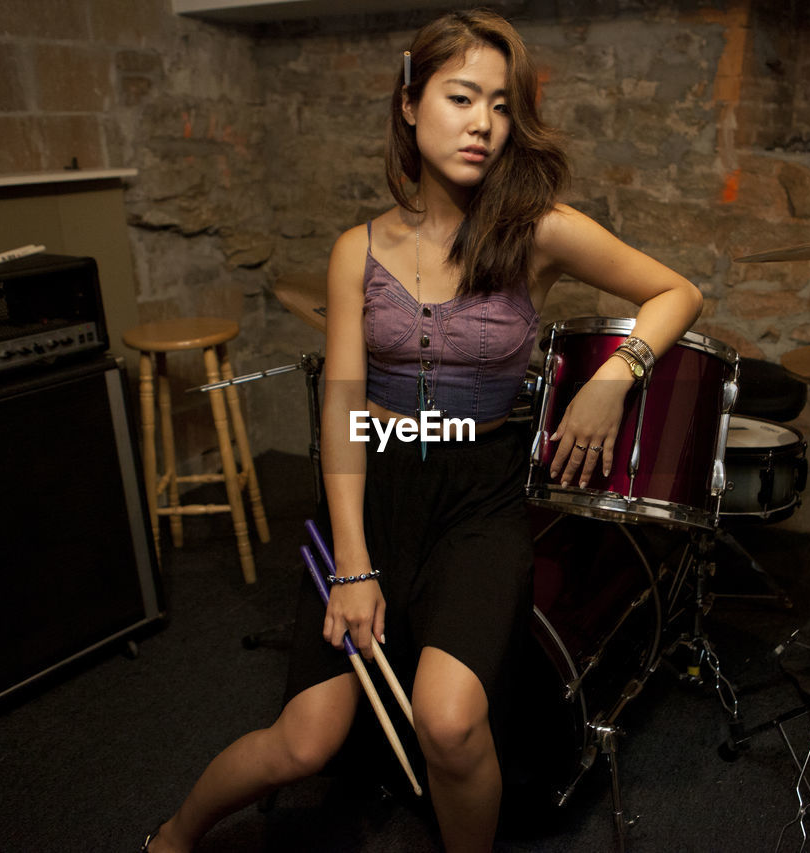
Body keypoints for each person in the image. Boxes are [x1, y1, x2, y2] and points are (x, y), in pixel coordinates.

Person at [144, 9, 702, 852]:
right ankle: (174, 835)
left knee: (449, 721)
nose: (484, 122)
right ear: (410, 104)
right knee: (306, 741)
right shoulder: (354, 252)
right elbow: (340, 409)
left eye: (502, 105)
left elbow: (676, 293)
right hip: (373, 498)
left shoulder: (538, 230)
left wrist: (613, 380)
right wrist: (354, 565)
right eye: (462, 96)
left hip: (480, 502)